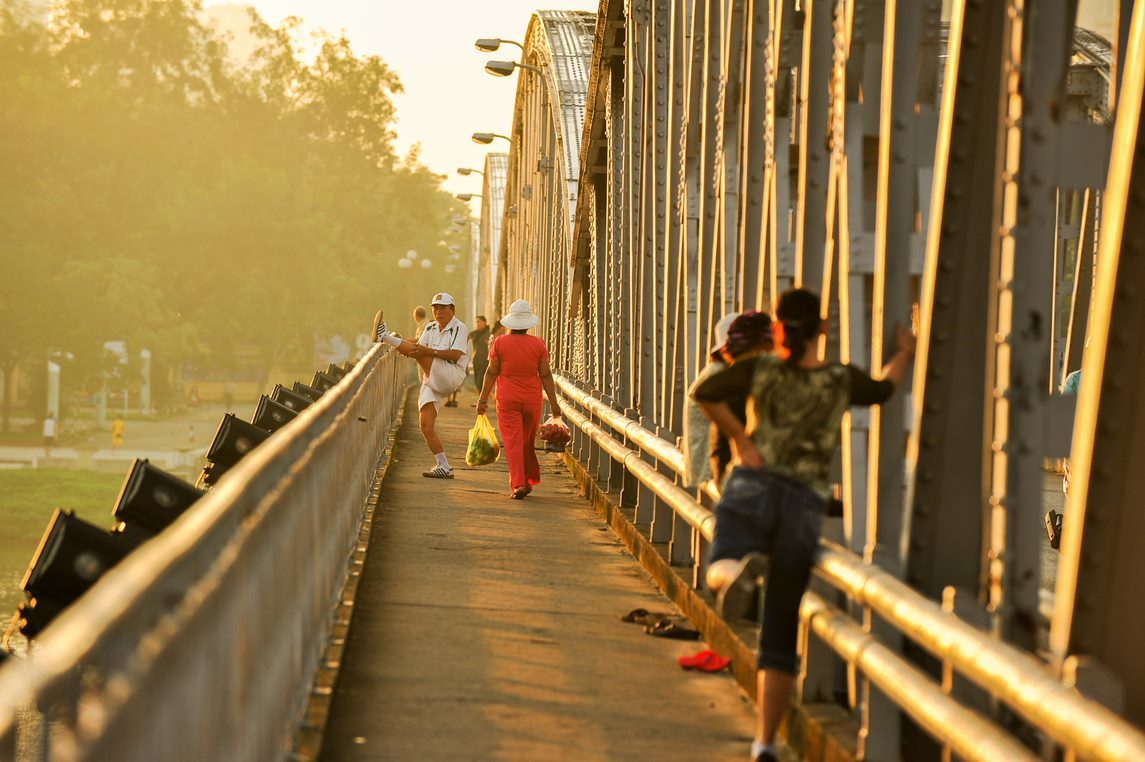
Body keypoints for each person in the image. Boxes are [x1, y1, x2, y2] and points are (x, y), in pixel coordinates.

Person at [691, 288, 915, 762]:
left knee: (722, 562)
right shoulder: (839, 379)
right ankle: (765, 742)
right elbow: (884, 390)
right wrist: (905, 353)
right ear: (823, 329)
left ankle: (736, 576)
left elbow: (704, 392)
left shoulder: (762, 368)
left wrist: (741, 440)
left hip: (752, 484)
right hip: (804, 504)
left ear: (777, 329)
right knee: (778, 633)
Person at [374, 293, 469, 478]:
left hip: (451, 375)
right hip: (430, 377)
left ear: (452, 310)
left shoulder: (459, 327)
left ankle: (383, 336)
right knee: (425, 425)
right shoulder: (430, 327)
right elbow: (418, 348)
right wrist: (406, 346)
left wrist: (426, 351)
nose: (438, 311)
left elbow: (456, 354)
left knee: (421, 354)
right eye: (435, 308)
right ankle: (444, 465)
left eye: (443, 308)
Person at [476, 299, 563, 499]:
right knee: (526, 442)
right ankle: (529, 478)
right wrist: (555, 404)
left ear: (510, 322)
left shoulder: (500, 343)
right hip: (532, 399)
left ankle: (519, 484)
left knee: (513, 442)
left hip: (507, 399)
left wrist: (482, 399)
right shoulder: (539, 344)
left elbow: (491, 372)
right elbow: (546, 375)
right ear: (528, 323)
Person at [683, 311, 775, 489]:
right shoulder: (726, 376)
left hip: (710, 463)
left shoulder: (718, 371)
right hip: (714, 467)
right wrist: (741, 438)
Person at [469, 315, 491, 393]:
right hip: (476, 360)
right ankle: (480, 399)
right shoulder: (475, 333)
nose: (477, 324)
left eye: (479, 322)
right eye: (476, 322)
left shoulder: (489, 334)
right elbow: (466, 336)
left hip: (485, 360)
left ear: (484, 322)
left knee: (480, 380)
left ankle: (482, 400)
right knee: (476, 381)